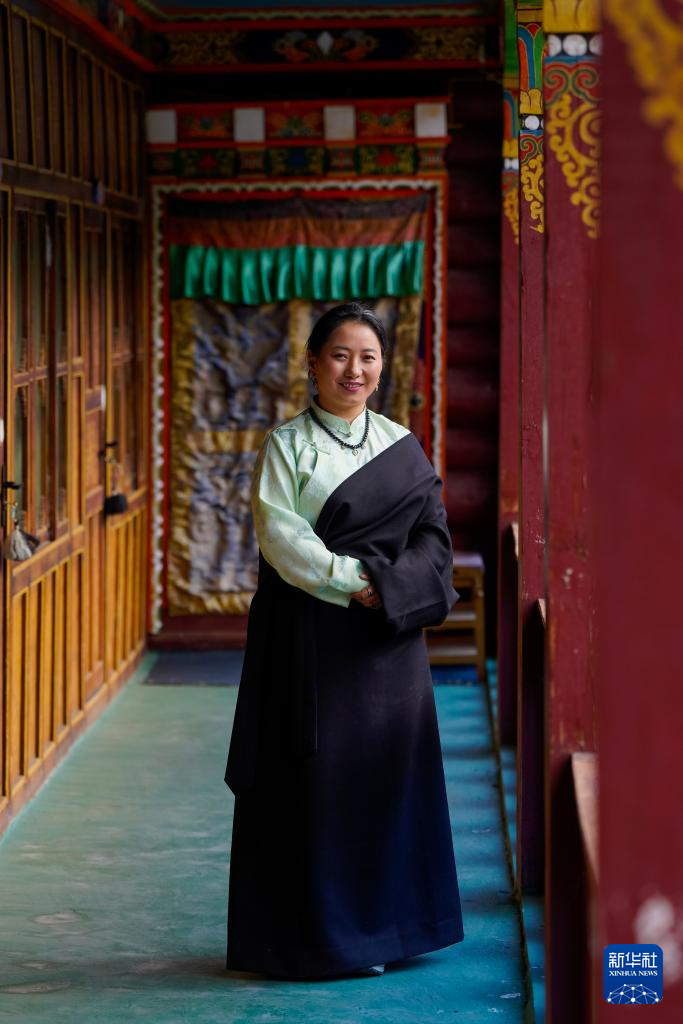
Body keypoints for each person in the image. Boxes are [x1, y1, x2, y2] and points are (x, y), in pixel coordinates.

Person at [224, 302, 465, 980]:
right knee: (319, 786)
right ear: (312, 363)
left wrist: (387, 590)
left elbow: (432, 538)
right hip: (310, 640)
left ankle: (392, 930)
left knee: (388, 779)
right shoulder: (287, 445)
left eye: (367, 357)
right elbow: (281, 538)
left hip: (387, 645)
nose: (353, 370)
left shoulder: (400, 444)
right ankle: (323, 941)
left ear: (382, 367)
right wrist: (355, 583)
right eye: (339, 355)